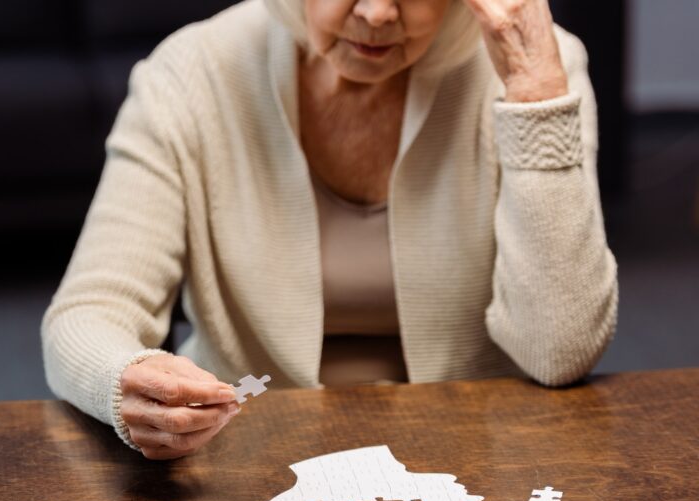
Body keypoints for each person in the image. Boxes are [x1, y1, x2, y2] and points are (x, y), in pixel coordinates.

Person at [41, 0, 618, 459]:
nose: (377, 13)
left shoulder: (536, 66)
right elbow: (89, 311)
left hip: (480, 456)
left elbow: (559, 352)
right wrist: (125, 380)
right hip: (244, 458)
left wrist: (536, 93)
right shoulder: (193, 72)